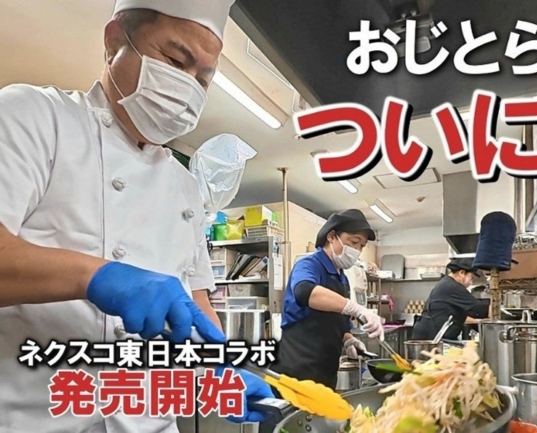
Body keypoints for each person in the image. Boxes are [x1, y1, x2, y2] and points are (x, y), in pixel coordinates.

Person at [0, 1, 274, 431]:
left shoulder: (184, 185)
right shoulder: (34, 116)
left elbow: (196, 300)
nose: (189, 86)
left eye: (203, 78)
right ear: (114, 42)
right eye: (176, 60)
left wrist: (217, 370)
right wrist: (96, 276)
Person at [272, 209, 385, 391]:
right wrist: (357, 309)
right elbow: (305, 292)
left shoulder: (342, 278)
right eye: (354, 242)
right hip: (297, 370)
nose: (357, 250)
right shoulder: (309, 264)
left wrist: (348, 339)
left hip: (326, 371)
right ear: (331, 236)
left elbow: (337, 320)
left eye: (361, 246)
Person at [411, 258, 491, 341]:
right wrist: (496, 310)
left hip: (431, 334)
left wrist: (477, 321)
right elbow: (479, 308)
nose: (471, 282)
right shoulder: (453, 287)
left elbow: (459, 317)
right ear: (462, 273)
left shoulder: (447, 283)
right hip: (431, 337)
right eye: (471, 278)